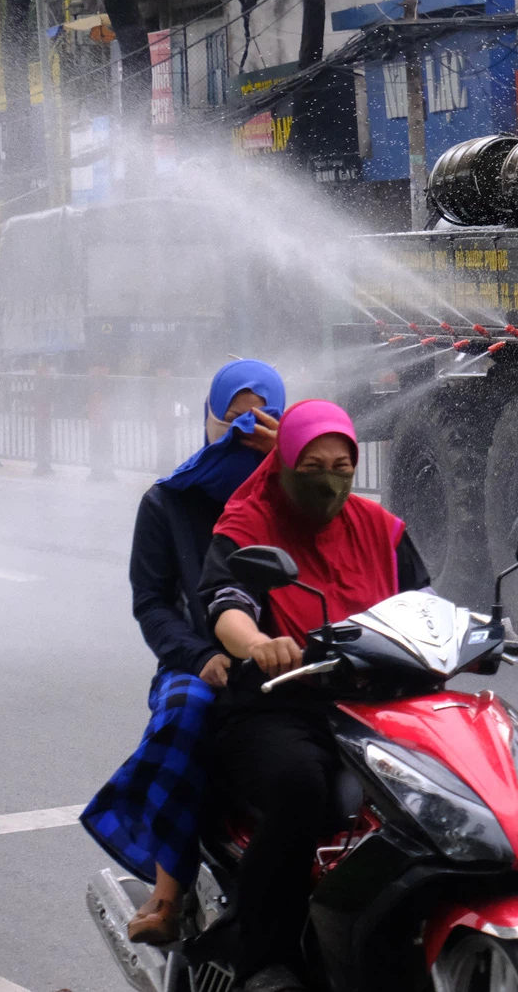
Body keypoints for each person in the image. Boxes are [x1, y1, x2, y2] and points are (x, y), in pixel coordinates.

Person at [200, 400, 430, 992]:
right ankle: (267, 960)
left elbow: (423, 608)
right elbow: (228, 605)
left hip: (372, 705)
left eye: (341, 465)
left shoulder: (382, 530)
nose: (328, 479)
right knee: (301, 788)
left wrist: (480, 634)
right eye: (311, 466)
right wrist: (258, 644)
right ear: (282, 465)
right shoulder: (249, 527)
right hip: (279, 705)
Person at [82, 360, 286, 946]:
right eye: (234, 419)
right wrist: (199, 654)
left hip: (291, 654)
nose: (246, 432)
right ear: (209, 420)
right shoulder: (167, 502)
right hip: (198, 660)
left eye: (262, 418)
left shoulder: (291, 492)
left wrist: (285, 466)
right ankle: (169, 888)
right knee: (185, 715)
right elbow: (151, 601)